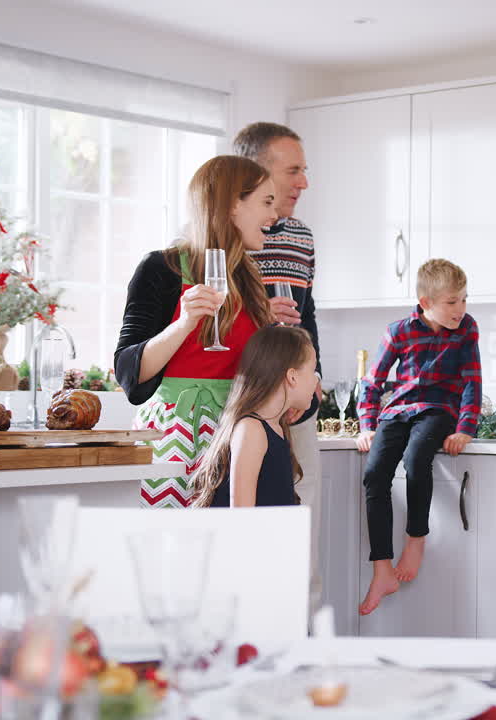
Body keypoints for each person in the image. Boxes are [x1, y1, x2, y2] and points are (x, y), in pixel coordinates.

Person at [114, 155, 292, 507]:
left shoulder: (252, 281)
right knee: (174, 553)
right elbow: (129, 375)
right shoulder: (160, 269)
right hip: (175, 441)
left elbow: (256, 373)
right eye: (266, 202)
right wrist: (183, 324)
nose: (275, 216)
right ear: (230, 205)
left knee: (234, 553)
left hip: (239, 438)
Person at [233, 121, 326, 611]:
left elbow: (306, 318)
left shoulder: (301, 238)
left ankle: (303, 637)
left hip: (296, 407)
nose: (302, 183)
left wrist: (311, 388)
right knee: (253, 529)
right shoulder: (228, 238)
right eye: (294, 171)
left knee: (301, 528)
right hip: (248, 408)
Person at [355, 259, 481, 615]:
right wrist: (367, 425)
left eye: (464, 299)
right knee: (374, 474)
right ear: (426, 303)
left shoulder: (467, 329)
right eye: (451, 302)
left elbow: (472, 381)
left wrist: (464, 429)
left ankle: (415, 540)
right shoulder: (398, 331)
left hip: (438, 409)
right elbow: (373, 383)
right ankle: (382, 569)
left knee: (415, 459)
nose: (460, 309)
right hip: (397, 411)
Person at [186, 325, 319, 507]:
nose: (316, 381)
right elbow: (242, 513)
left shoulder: (276, 427)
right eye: (312, 371)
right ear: (292, 377)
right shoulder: (251, 429)